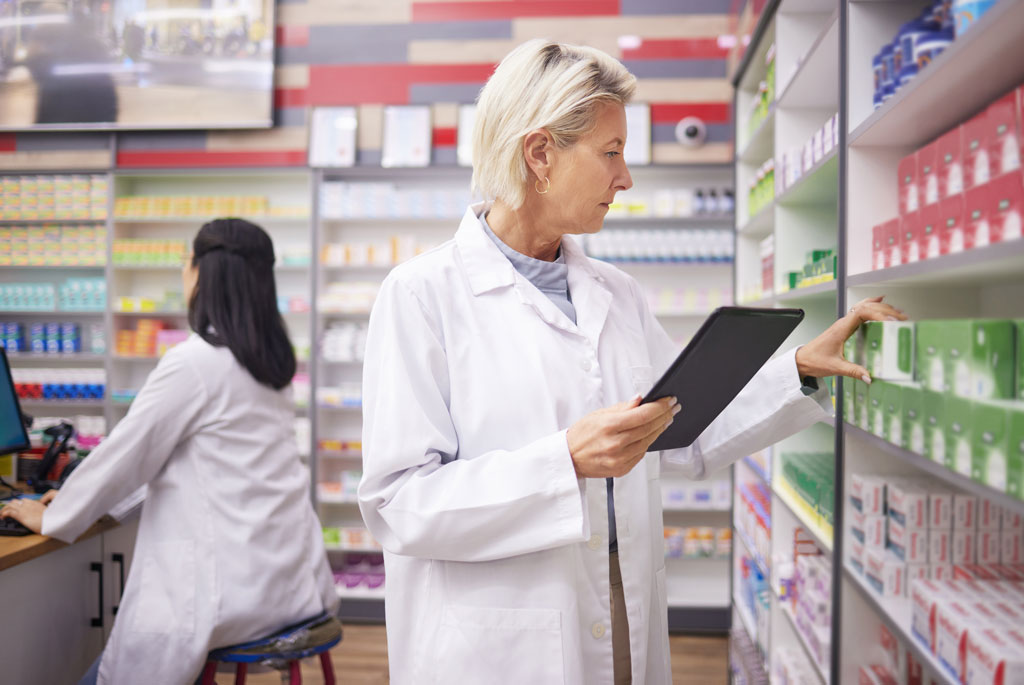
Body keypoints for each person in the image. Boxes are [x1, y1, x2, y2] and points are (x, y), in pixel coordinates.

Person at [357, 39, 904, 684]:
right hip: (502, 637)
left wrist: (800, 369)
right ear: (540, 155)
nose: (625, 178)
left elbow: (680, 431)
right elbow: (397, 503)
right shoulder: (422, 294)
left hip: (620, 604)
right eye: (611, 153)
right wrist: (563, 461)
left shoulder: (615, 292)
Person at [1, 218, 338, 685]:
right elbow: (187, 468)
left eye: (186, 263)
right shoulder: (269, 366)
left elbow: (126, 454)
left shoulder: (195, 362)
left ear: (203, 274)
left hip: (229, 596)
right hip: (288, 584)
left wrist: (57, 516)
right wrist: (86, 500)